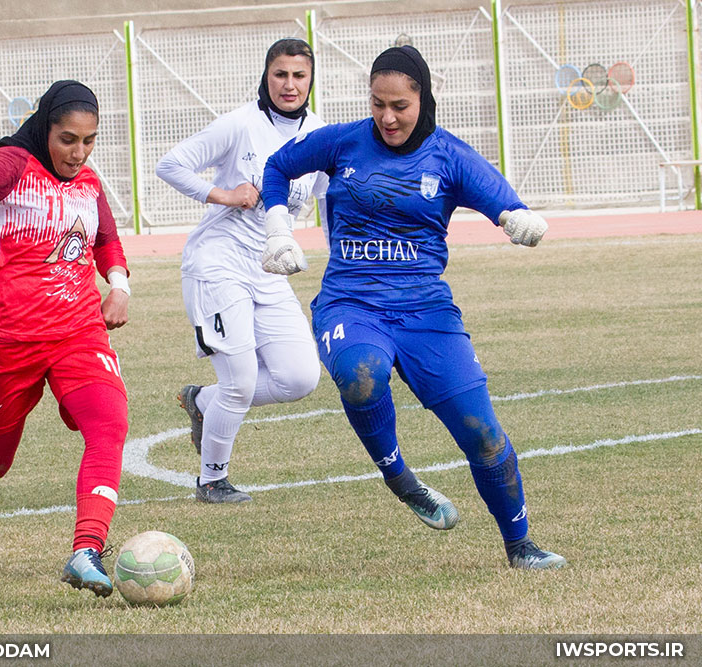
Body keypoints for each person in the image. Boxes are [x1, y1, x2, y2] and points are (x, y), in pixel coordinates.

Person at [261, 45, 565, 569]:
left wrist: (516, 219)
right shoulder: (343, 142)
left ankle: (521, 546)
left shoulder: (449, 155)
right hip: (350, 302)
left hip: (426, 310)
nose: (387, 117)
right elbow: (277, 167)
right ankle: (400, 477)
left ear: (423, 99)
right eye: (378, 103)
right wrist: (277, 230)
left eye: (399, 105)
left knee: (484, 435)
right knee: (360, 374)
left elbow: (505, 202)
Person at [0, 80, 132, 596]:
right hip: (10, 343)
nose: (79, 152)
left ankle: (86, 549)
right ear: (45, 128)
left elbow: (106, 239)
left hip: (78, 332)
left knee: (109, 424)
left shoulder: (88, 182)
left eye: (89, 141)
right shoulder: (14, 164)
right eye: (68, 139)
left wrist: (119, 287)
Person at [155, 39, 328, 503]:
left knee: (299, 377)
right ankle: (212, 480)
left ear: (311, 80)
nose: (289, 84)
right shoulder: (239, 125)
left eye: (299, 75)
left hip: (268, 271)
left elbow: (332, 195)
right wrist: (225, 194)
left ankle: (201, 402)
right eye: (280, 74)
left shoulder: (320, 134)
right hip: (217, 265)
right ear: (266, 76)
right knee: (240, 382)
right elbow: (170, 165)